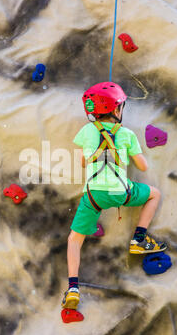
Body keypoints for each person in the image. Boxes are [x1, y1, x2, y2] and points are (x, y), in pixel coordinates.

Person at [62, 82, 167, 310]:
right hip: (121, 192)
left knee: (74, 239)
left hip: (94, 195)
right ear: (117, 110)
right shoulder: (127, 134)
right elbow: (143, 165)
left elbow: (82, 162)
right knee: (154, 195)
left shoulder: (85, 132)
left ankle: (73, 287)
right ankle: (139, 238)